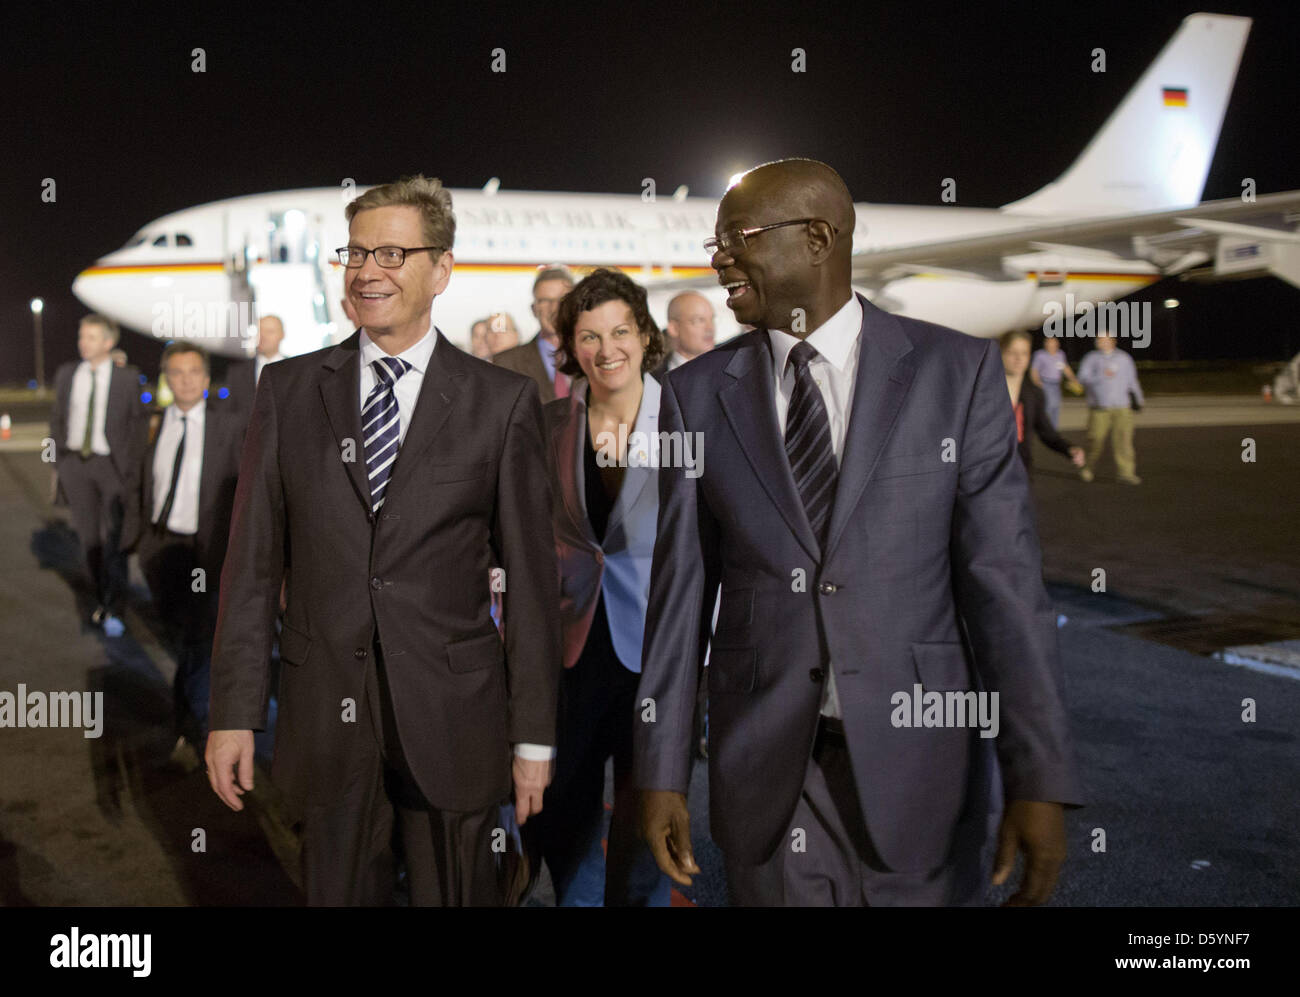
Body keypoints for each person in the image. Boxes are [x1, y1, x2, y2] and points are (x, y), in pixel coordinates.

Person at [635, 158, 1082, 906]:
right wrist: (660, 769)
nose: (718, 259)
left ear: (817, 238)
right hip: (771, 775)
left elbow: (1004, 587)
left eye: (737, 237)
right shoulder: (694, 395)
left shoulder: (955, 373)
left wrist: (1040, 776)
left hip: (923, 772)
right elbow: (678, 602)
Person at [205, 175, 562, 906]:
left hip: (455, 720)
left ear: (442, 269)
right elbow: (249, 568)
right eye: (356, 252)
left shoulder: (501, 402)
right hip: (325, 718)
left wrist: (532, 738)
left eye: (393, 253)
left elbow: (530, 584)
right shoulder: (289, 391)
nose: (368, 271)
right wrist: (235, 712)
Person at [533, 268, 671, 907]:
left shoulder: (688, 421)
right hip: (573, 647)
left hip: (660, 650)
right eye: (588, 336)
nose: (606, 349)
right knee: (568, 809)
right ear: (570, 345)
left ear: (645, 335)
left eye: (620, 331)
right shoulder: (548, 424)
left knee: (648, 814)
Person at [121, 343, 243, 759]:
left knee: (200, 637)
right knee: (182, 636)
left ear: (207, 379)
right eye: (177, 372)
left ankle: (192, 724)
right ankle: (189, 714)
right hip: (160, 548)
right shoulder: (152, 425)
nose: (187, 380)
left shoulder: (229, 427)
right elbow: (138, 483)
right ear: (167, 380)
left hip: (204, 551)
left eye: (195, 372)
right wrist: (136, 542)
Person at [50, 314, 146, 637]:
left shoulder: (127, 379)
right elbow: (56, 421)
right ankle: (100, 598)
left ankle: (115, 605)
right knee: (88, 539)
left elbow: (137, 426)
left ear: (108, 342)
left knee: (115, 540)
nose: (83, 342)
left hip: (111, 466)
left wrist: (131, 470)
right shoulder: (67, 374)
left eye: (91, 337)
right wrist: (57, 463)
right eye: (81, 336)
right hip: (76, 464)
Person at [1001, 331, 1084, 472]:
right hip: (987, 472)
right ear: (1001, 353)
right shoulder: (983, 390)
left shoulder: (1033, 394)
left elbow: (1046, 431)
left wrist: (1068, 448)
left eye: (1024, 353)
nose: (1018, 358)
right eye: (1012, 352)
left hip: (1021, 467)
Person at [492, 266, 575, 401]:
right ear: (534, 309)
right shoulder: (506, 364)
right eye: (545, 301)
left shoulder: (595, 357)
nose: (554, 308)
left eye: (562, 300)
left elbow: (620, 417)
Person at [1077, 331, 1145, 484]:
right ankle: (1088, 467)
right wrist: (1100, 376)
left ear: (1113, 341)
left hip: (1122, 406)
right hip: (1100, 407)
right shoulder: (1091, 358)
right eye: (1100, 339)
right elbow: (1082, 379)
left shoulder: (1124, 358)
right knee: (1096, 440)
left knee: (1124, 440)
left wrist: (1139, 399)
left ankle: (1126, 473)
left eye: (1107, 339)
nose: (1103, 342)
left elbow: (1132, 381)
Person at [226, 315, 286, 419]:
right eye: (259, 331)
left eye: (270, 331)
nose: (263, 336)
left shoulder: (296, 369)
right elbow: (230, 412)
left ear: (282, 335)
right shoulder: (237, 372)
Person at [652, 291, 716, 380]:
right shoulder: (652, 380)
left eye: (712, 319)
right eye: (699, 320)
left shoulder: (730, 368)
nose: (710, 328)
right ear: (674, 328)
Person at [1029, 335, 1080, 429]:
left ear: (1057, 344)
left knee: (1056, 407)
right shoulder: (1040, 355)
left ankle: (1053, 429)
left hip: (1056, 385)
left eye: (1054, 344)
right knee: (1049, 407)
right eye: (1050, 344)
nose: (1052, 346)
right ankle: (1046, 429)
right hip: (1045, 383)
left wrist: (1073, 378)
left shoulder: (1060, 354)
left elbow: (1065, 368)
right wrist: (1036, 381)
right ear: (1046, 345)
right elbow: (1034, 370)